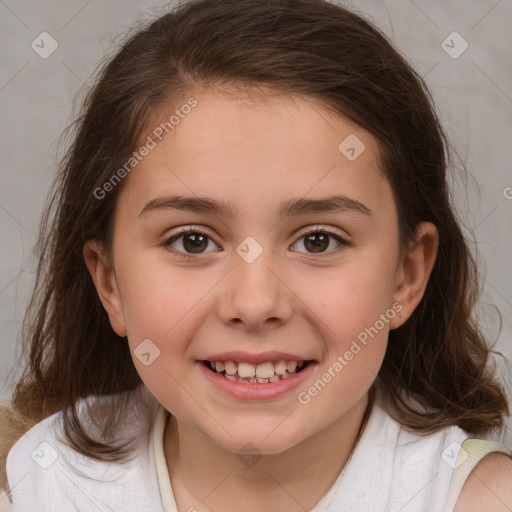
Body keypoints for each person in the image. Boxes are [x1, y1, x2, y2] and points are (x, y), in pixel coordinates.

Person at [1, 0, 511, 510]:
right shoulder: (35, 487)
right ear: (110, 284)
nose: (255, 302)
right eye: (192, 241)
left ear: (407, 275)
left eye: (318, 240)